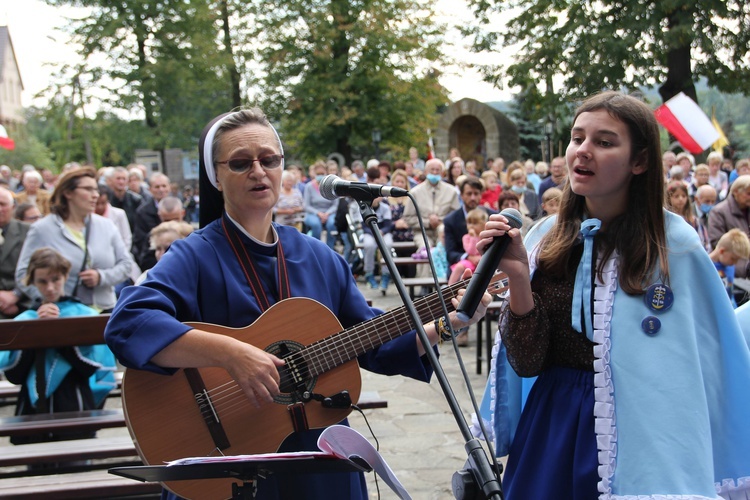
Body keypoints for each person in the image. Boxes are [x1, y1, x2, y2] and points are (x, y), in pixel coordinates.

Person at [103, 108, 491, 500]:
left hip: (319, 456)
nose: (258, 170)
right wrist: (230, 354)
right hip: (230, 460)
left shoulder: (319, 257)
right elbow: (128, 322)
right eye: (241, 162)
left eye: (269, 159)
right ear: (216, 176)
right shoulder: (194, 255)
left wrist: (448, 322)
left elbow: (370, 341)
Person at [478, 91, 750, 499]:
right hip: (553, 427)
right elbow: (528, 361)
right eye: (577, 138)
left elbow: (707, 363)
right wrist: (518, 278)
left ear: (639, 161)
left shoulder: (675, 246)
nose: (583, 151)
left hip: (642, 434)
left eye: (604, 142)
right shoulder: (543, 239)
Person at [0, 247, 117, 445]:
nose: (50, 288)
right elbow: (15, 375)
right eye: (42, 282)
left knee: (77, 465)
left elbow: (90, 369)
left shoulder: (84, 314)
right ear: (32, 283)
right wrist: (36, 330)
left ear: (65, 277)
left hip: (74, 399)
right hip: (32, 407)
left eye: (56, 279)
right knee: (34, 464)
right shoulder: (24, 319)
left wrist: (58, 331)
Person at [15, 167, 133, 313]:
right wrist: (45, 298)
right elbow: (22, 274)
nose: (95, 195)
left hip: (105, 311)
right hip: (62, 314)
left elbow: (126, 265)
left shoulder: (106, 225)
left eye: (95, 190)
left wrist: (101, 277)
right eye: (88, 189)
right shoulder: (42, 229)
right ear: (68, 192)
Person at [707, 175, 750, 277]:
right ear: (735, 192)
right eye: (748, 194)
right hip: (734, 265)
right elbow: (718, 243)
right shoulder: (719, 212)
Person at [0, 187, 31, 318]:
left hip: (22, 304)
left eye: (2, 204)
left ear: (13, 207)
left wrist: (16, 295)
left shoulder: (28, 231)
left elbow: (36, 269)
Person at [134, 220, 194, 285]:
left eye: (168, 248)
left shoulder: (196, 278)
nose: (162, 254)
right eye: (158, 249)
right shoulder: (145, 278)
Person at [709, 228, 750, 308]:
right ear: (722, 251)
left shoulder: (729, 265)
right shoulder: (708, 267)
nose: (735, 263)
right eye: (733, 259)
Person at [303, 160, 338, 249]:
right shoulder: (309, 187)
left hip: (329, 213)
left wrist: (327, 214)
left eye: (322, 173)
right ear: (314, 173)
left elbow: (335, 204)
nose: (320, 175)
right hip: (313, 213)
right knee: (316, 224)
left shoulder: (331, 186)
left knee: (332, 223)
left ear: (326, 172)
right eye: (318, 173)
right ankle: (316, 248)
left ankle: (330, 248)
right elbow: (306, 206)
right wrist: (318, 213)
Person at [448, 208, 487, 285]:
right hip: (470, 261)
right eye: (469, 223)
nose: (471, 226)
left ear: (483, 224)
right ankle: (449, 287)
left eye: (475, 223)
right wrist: (473, 238)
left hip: (482, 262)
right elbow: (470, 251)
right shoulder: (466, 237)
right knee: (459, 267)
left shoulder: (485, 237)